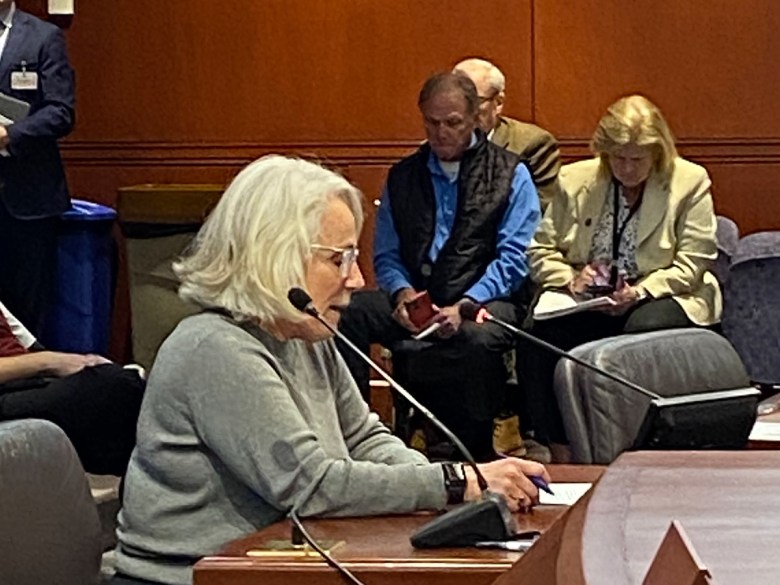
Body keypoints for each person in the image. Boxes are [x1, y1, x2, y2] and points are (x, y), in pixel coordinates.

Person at [111, 155, 549, 585]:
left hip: (277, 565)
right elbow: (310, 485)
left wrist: (459, 495)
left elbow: (364, 439)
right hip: (192, 577)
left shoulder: (305, 335)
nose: (357, 278)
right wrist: (454, 482)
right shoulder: (214, 348)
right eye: (339, 259)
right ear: (275, 255)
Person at [336, 72, 541, 462]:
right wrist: (402, 293)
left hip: (484, 298)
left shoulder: (511, 173)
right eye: (432, 123)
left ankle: (478, 447)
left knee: (479, 338)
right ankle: (353, 432)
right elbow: (387, 254)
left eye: (452, 123)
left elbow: (515, 259)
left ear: (475, 119)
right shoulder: (403, 176)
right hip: (420, 296)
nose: (441, 132)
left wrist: (465, 304)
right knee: (348, 313)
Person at [521, 94, 722, 454]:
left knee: (639, 331)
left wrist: (639, 292)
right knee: (538, 334)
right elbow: (538, 251)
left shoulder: (689, 181)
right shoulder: (574, 180)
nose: (626, 168)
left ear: (657, 153)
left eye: (637, 159)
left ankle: (636, 444)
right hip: (592, 297)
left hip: (664, 293)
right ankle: (559, 447)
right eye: (617, 158)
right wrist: (571, 279)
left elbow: (694, 263)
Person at [0, 300, 145, 475]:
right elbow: (42, 359)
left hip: (26, 378)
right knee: (111, 388)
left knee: (120, 385)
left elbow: (25, 341)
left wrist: (82, 364)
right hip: (10, 384)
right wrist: (49, 361)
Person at [0, 0, 75, 336]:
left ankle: (30, 369)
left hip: (27, 199)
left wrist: (9, 135)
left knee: (27, 310)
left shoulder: (44, 36)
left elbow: (61, 111)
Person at [453, 57, 561, 209]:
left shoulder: (533, 144)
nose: (462, 111)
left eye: (474, 101)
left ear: (498, 102)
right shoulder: (436, 146)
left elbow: (544, 209)